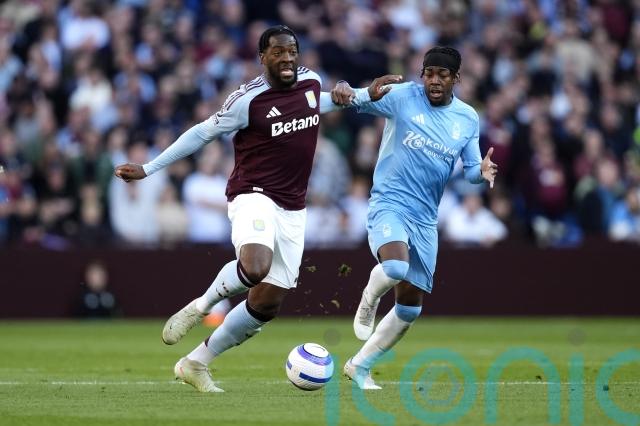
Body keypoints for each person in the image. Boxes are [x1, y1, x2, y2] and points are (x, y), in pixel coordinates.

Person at [114, 25, 397, 393]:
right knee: (255, 266)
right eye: (278, 52)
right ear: (262, 57)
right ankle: (201, 307)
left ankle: (195, 363)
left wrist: (359, 94)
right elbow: (201, 133)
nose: (287, 58)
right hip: (253, 194)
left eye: (292, 51)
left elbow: (323, 102)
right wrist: (149, 168)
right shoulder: (246, 101)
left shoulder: (310, 82)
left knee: (266, 304)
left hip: (293, 207)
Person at [331, 46, 498, 389]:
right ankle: (369, 300)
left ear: (456, 78)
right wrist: (346, 87)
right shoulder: (403, 96)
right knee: (395, 267)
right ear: (422, 75)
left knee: (410, 308)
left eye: (442, 75)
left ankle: (359, 366)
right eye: (429, 73)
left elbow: (470, 170)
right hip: (390, 202)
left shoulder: (467, 118)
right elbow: (352, 99)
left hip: (425, 218)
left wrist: (481, 172)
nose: (434, 81)